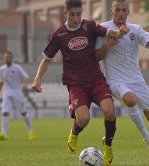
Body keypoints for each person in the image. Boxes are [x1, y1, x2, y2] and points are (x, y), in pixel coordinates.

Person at [31, 0, 129, 165]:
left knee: (110, 112)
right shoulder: (59, 35)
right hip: (75, 83)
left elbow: (109, 32)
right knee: (83, 119)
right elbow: (46, 59)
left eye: (78, 14)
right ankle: (74, 133)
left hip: (95, 78)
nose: (76, 18)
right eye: (72, 15)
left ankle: (108, 143)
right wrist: (37, 79)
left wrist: (119, 33)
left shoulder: (89, 26)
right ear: (65, 14)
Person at [95, 0, 149, 163]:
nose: (121, 13)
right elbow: (96, 57)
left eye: (124, 10)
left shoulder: (135, 29)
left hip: (137, 81)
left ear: (128, 12)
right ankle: (145, 137)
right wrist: (109, 44)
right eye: (118, 10)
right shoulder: (103, 29)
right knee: (129, 100)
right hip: (115, 80)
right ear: (111, 11)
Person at [0, 51, 34, 140]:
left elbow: (26, 77)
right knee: (5, 112)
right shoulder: (1, 69)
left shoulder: (17, 67)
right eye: (6, 57)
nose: (8, 58)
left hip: (17, 93)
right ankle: (3, 134)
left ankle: (31, 131)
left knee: (23, 112)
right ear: (4, 58)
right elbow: (1, 82)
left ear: (12, 58)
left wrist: (25, 85)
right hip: (7, 94)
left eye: (9, 57)